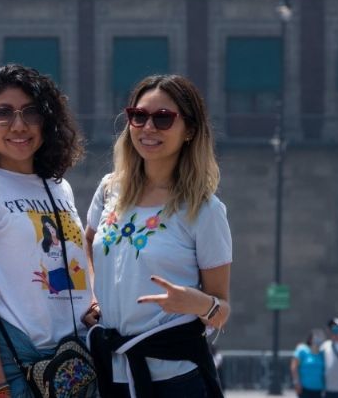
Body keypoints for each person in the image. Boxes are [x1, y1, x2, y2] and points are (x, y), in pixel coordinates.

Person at [83, 74, 231, 398]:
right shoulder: (110, 189)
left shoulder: (204, 211)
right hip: (109, 373)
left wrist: (196, 303)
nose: (148, 127)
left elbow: (221, 312)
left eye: (163, 119)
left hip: (175, 380)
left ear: (189, 130)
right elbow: (88, 243)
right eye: (139, 116)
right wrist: (94, 295)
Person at [0, 64, 87, 398]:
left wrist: (92, 302)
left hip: (70, 366)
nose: (19, 125)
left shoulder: (59, 187)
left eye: (31, 112)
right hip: (13, 367)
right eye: (3, 113)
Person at [291, 329, 325, 398]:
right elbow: (294, 366)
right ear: (310, 339)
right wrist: (296, 383)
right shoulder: (302, 349)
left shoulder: (323, 353)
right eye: (316, 337)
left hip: (319, 391)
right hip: (304, 389)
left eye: (320, 338)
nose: (318, 340)